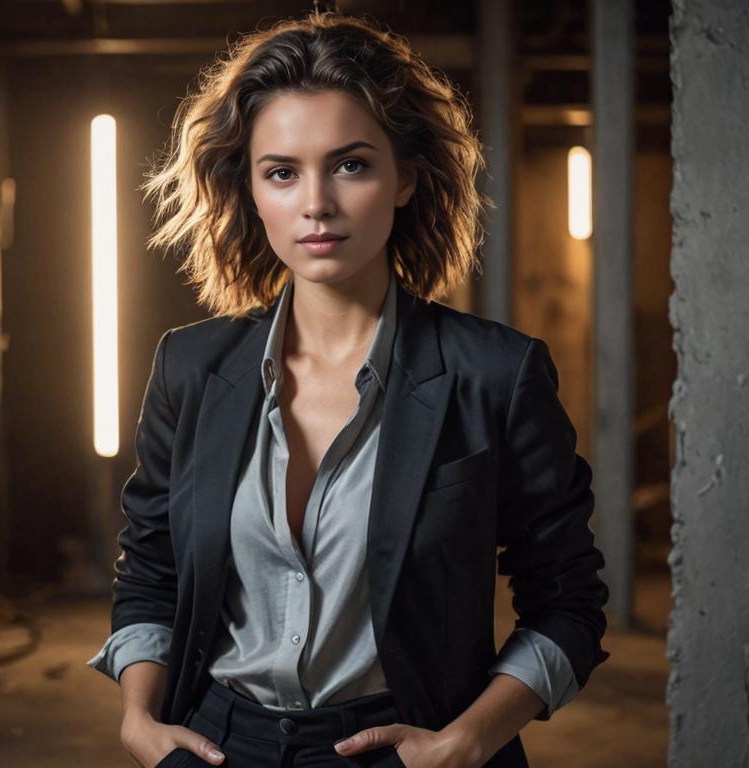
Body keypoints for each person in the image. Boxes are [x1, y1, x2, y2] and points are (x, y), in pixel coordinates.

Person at [87, 10, 610, 768]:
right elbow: (151, 571)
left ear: (405, 180)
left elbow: (568, 602)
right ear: (251, 192)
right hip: (215, 745)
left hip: (412, 746)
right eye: (282, 171)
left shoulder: (494, 373)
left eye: (351, 164)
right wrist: (139, 718)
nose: (316, 203)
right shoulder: (191, 368)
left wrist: (468, 741)